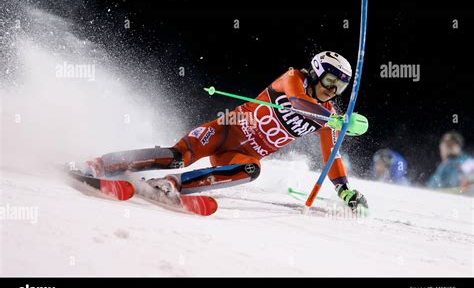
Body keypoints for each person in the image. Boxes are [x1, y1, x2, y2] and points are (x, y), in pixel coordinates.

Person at [84, 51, 369, 212]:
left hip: (238, 155)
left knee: (251, 170)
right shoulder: (293, 78)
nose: (332, 91)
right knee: (178, 156)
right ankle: (101, 163)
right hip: (224, 131)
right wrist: (337, 121)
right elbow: (297, 102)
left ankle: (172, 184)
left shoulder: (328, 117)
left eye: (339, 88)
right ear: (317, 73)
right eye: (330, 81)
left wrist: (345, 191)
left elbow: (332, 155)